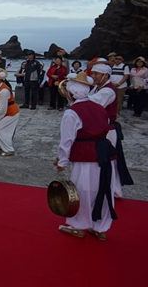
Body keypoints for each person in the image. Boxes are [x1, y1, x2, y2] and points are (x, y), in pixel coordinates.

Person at [54, 72, 116, 240]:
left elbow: (66, 140)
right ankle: (100, 227)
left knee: (82, 190)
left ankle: (79, 225)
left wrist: (62, 161)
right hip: (105, 154)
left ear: (72, 92)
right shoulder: (99, 108)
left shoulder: (72, 112)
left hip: (85, 155)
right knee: (103, 189)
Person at [88, 60, 132, 198]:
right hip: (102, 128)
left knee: (110, 160)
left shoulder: (108, 90)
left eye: (96, 73)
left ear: (105, 75)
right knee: (107, 160)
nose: (93, 76)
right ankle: (112, 188)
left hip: (108, 130)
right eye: (92, 73)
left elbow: (92, 104)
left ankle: (114, 189)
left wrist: (76, 92)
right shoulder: (97, 88)